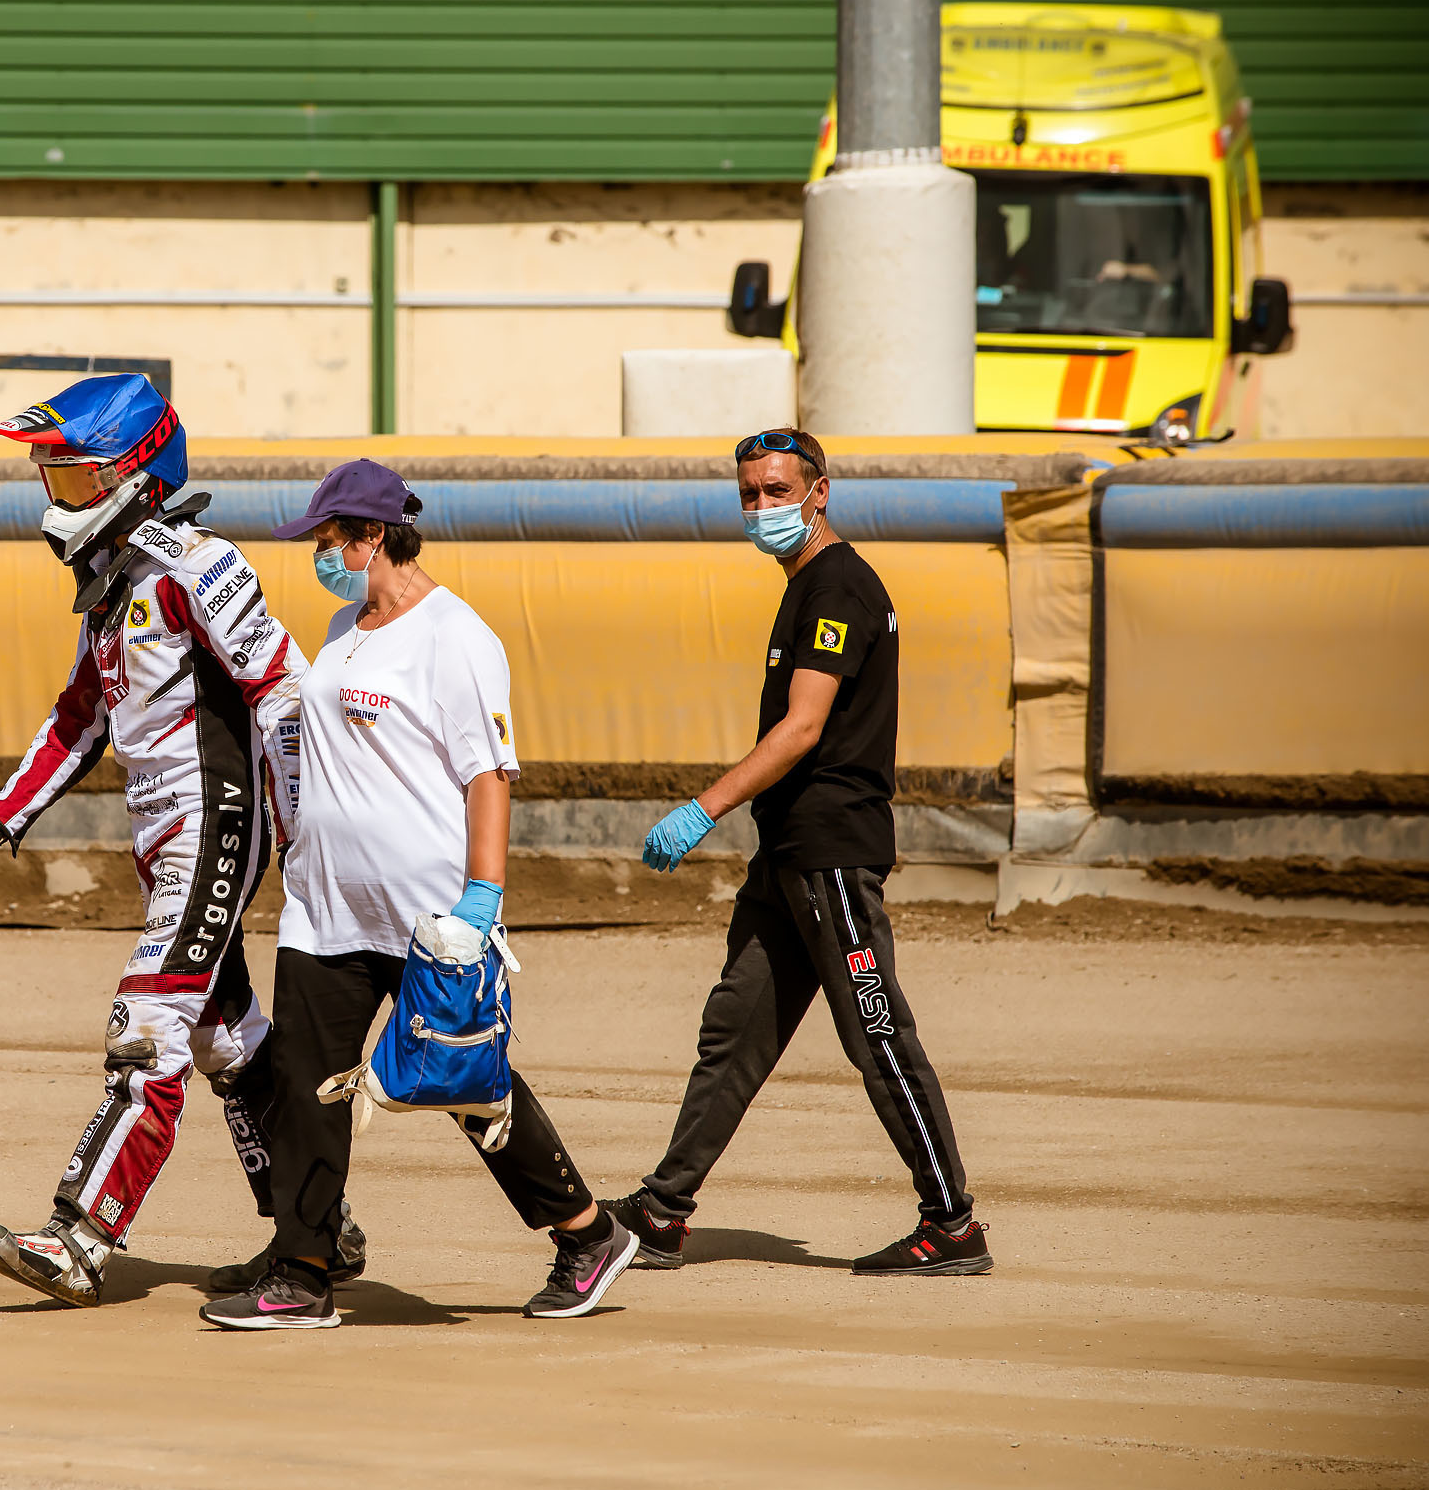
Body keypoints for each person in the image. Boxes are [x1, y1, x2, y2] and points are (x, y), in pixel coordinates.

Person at [200, 459, 640, 1331]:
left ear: (370, 538)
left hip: (431, 915)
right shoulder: (342, 625)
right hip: (325, 910)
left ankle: (586, 1232)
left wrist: (482, 898)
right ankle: (304, 1268)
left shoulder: (456, 636)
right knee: (307, 1082)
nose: (319, 558)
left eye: (328, 543)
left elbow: (489, 773)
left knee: (464, 1081)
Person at [0, 374, 366, 1308]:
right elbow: (78, 716)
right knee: (227, 1038)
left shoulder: (197, 565)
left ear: (138, 473)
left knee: (148, 1027)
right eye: (50, 482)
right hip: (162, 838)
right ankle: (319, 1230)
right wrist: (3, 813)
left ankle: (81, 1236)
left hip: (215, 827)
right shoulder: (113, 586)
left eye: (74, 481)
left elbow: (283, 687)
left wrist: (307, 830)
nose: (58, 502)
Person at [602, 428, 992, 1277]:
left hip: (830, 857)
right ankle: (664, 1210)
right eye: (748, 493)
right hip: (786, 855)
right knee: (733, 1032)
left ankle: (952, 1221)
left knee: (877, 1034)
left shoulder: (840, 586)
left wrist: (702, 807)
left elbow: (804, 727)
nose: (760, 508)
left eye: (776, 492)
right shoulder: (804, 583)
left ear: (820, 492)